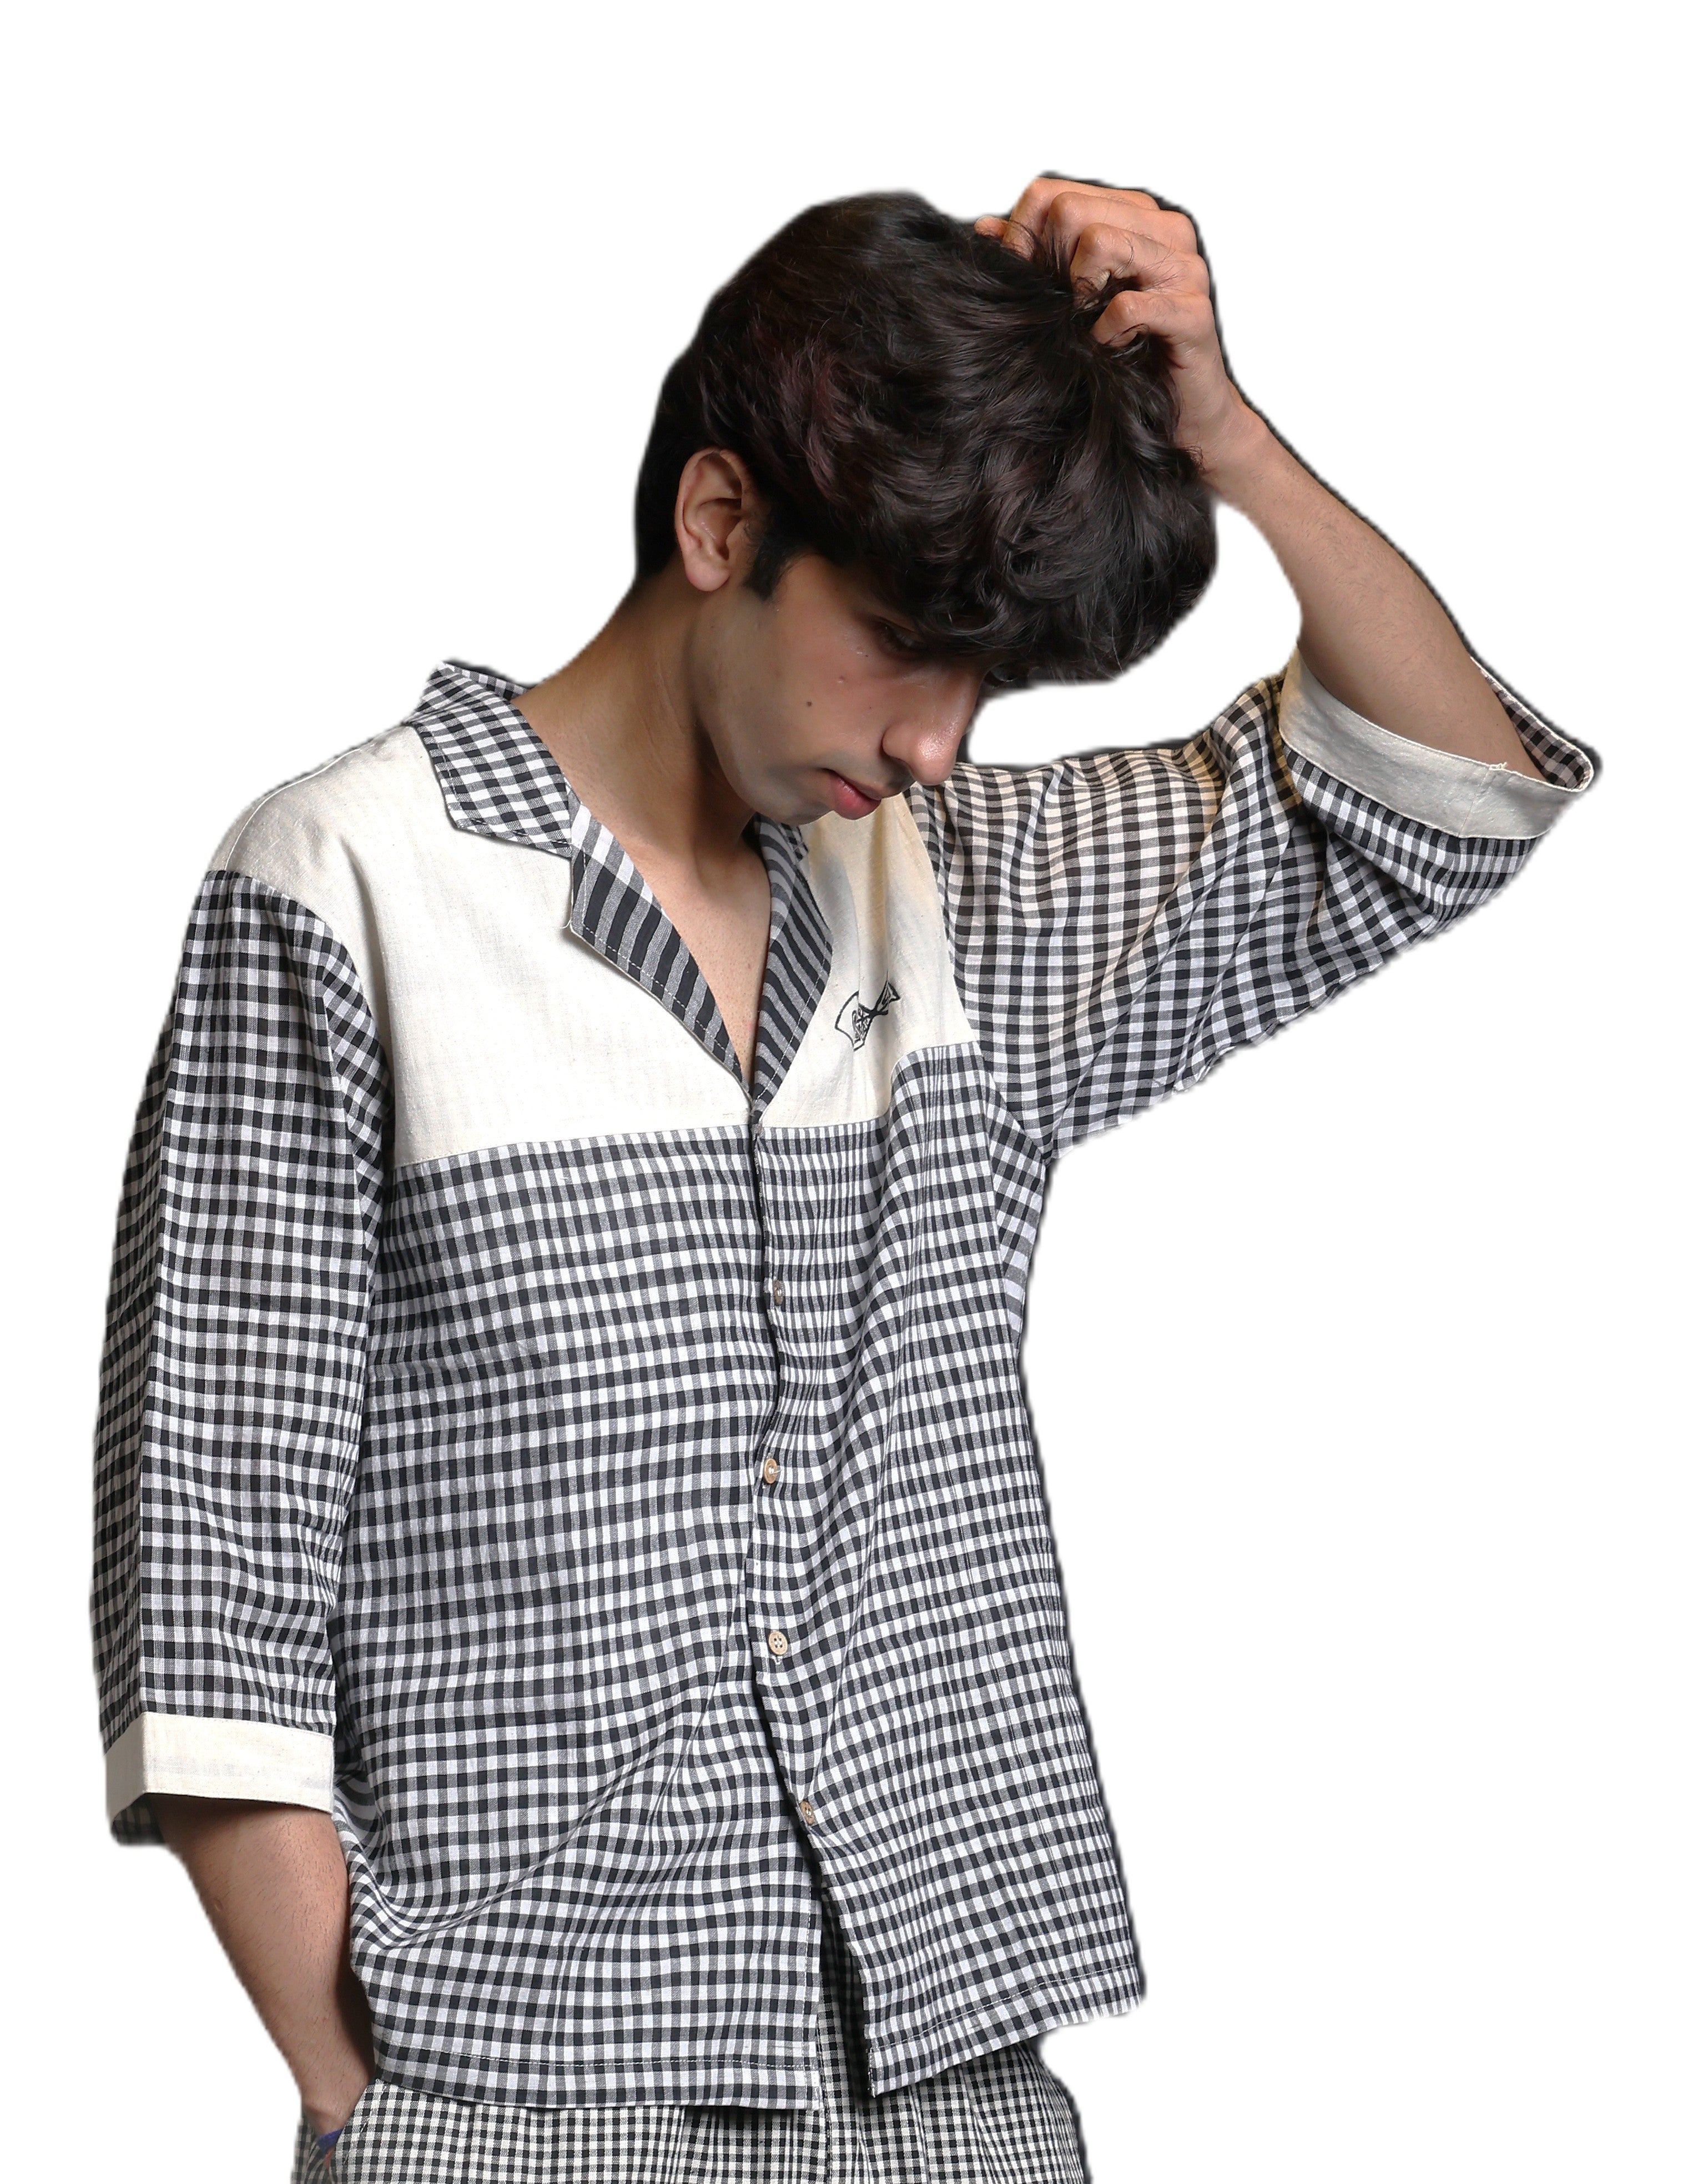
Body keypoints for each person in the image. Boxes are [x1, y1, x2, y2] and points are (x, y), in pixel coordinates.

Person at [89, 176, 1597, 2183]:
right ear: (721, 524)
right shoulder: (350, 882)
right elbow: (213, 1580)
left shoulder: (970, 894)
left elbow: (1443, 796)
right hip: (520, 2106)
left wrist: (1225, 436)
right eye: (904, 647)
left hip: (954, 2090)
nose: (938, 746)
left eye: (989, 684)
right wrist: (374, 2107)